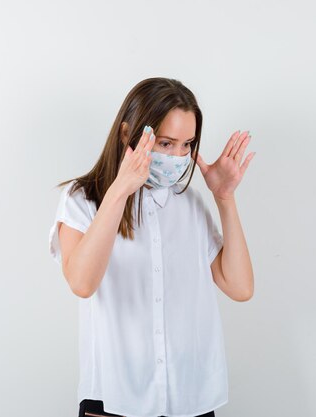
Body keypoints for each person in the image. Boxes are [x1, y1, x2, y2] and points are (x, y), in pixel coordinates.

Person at [49, 77, 255, 417]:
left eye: (186, 144)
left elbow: (240, 286)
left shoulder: (187, 204)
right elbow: (82, 282)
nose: (177, 156)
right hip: (114, 399)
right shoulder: (82, 200)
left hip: (189, 399)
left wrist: (224, 200)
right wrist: (120, 190)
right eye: (165, 143)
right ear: (128, 134)